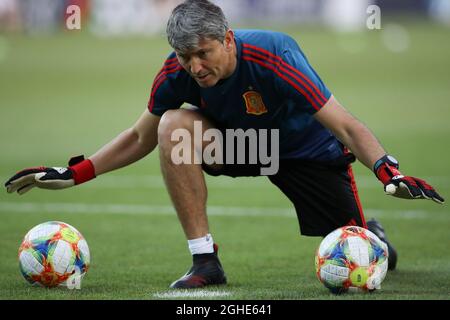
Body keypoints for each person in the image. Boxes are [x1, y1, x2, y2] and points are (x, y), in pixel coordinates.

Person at [4, 0, 444, 289]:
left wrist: (389, 170)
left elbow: (345, 125)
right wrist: (75, 172)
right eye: (184, 55)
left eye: (203, 53)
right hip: (241, 147)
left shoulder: (275, 55)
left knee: (360, 249)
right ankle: (205, 262)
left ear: (228, 39)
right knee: (172, 125)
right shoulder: (174, 73)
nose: (194, 66)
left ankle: (377, 235)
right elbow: (140, 136)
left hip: (305, 152)